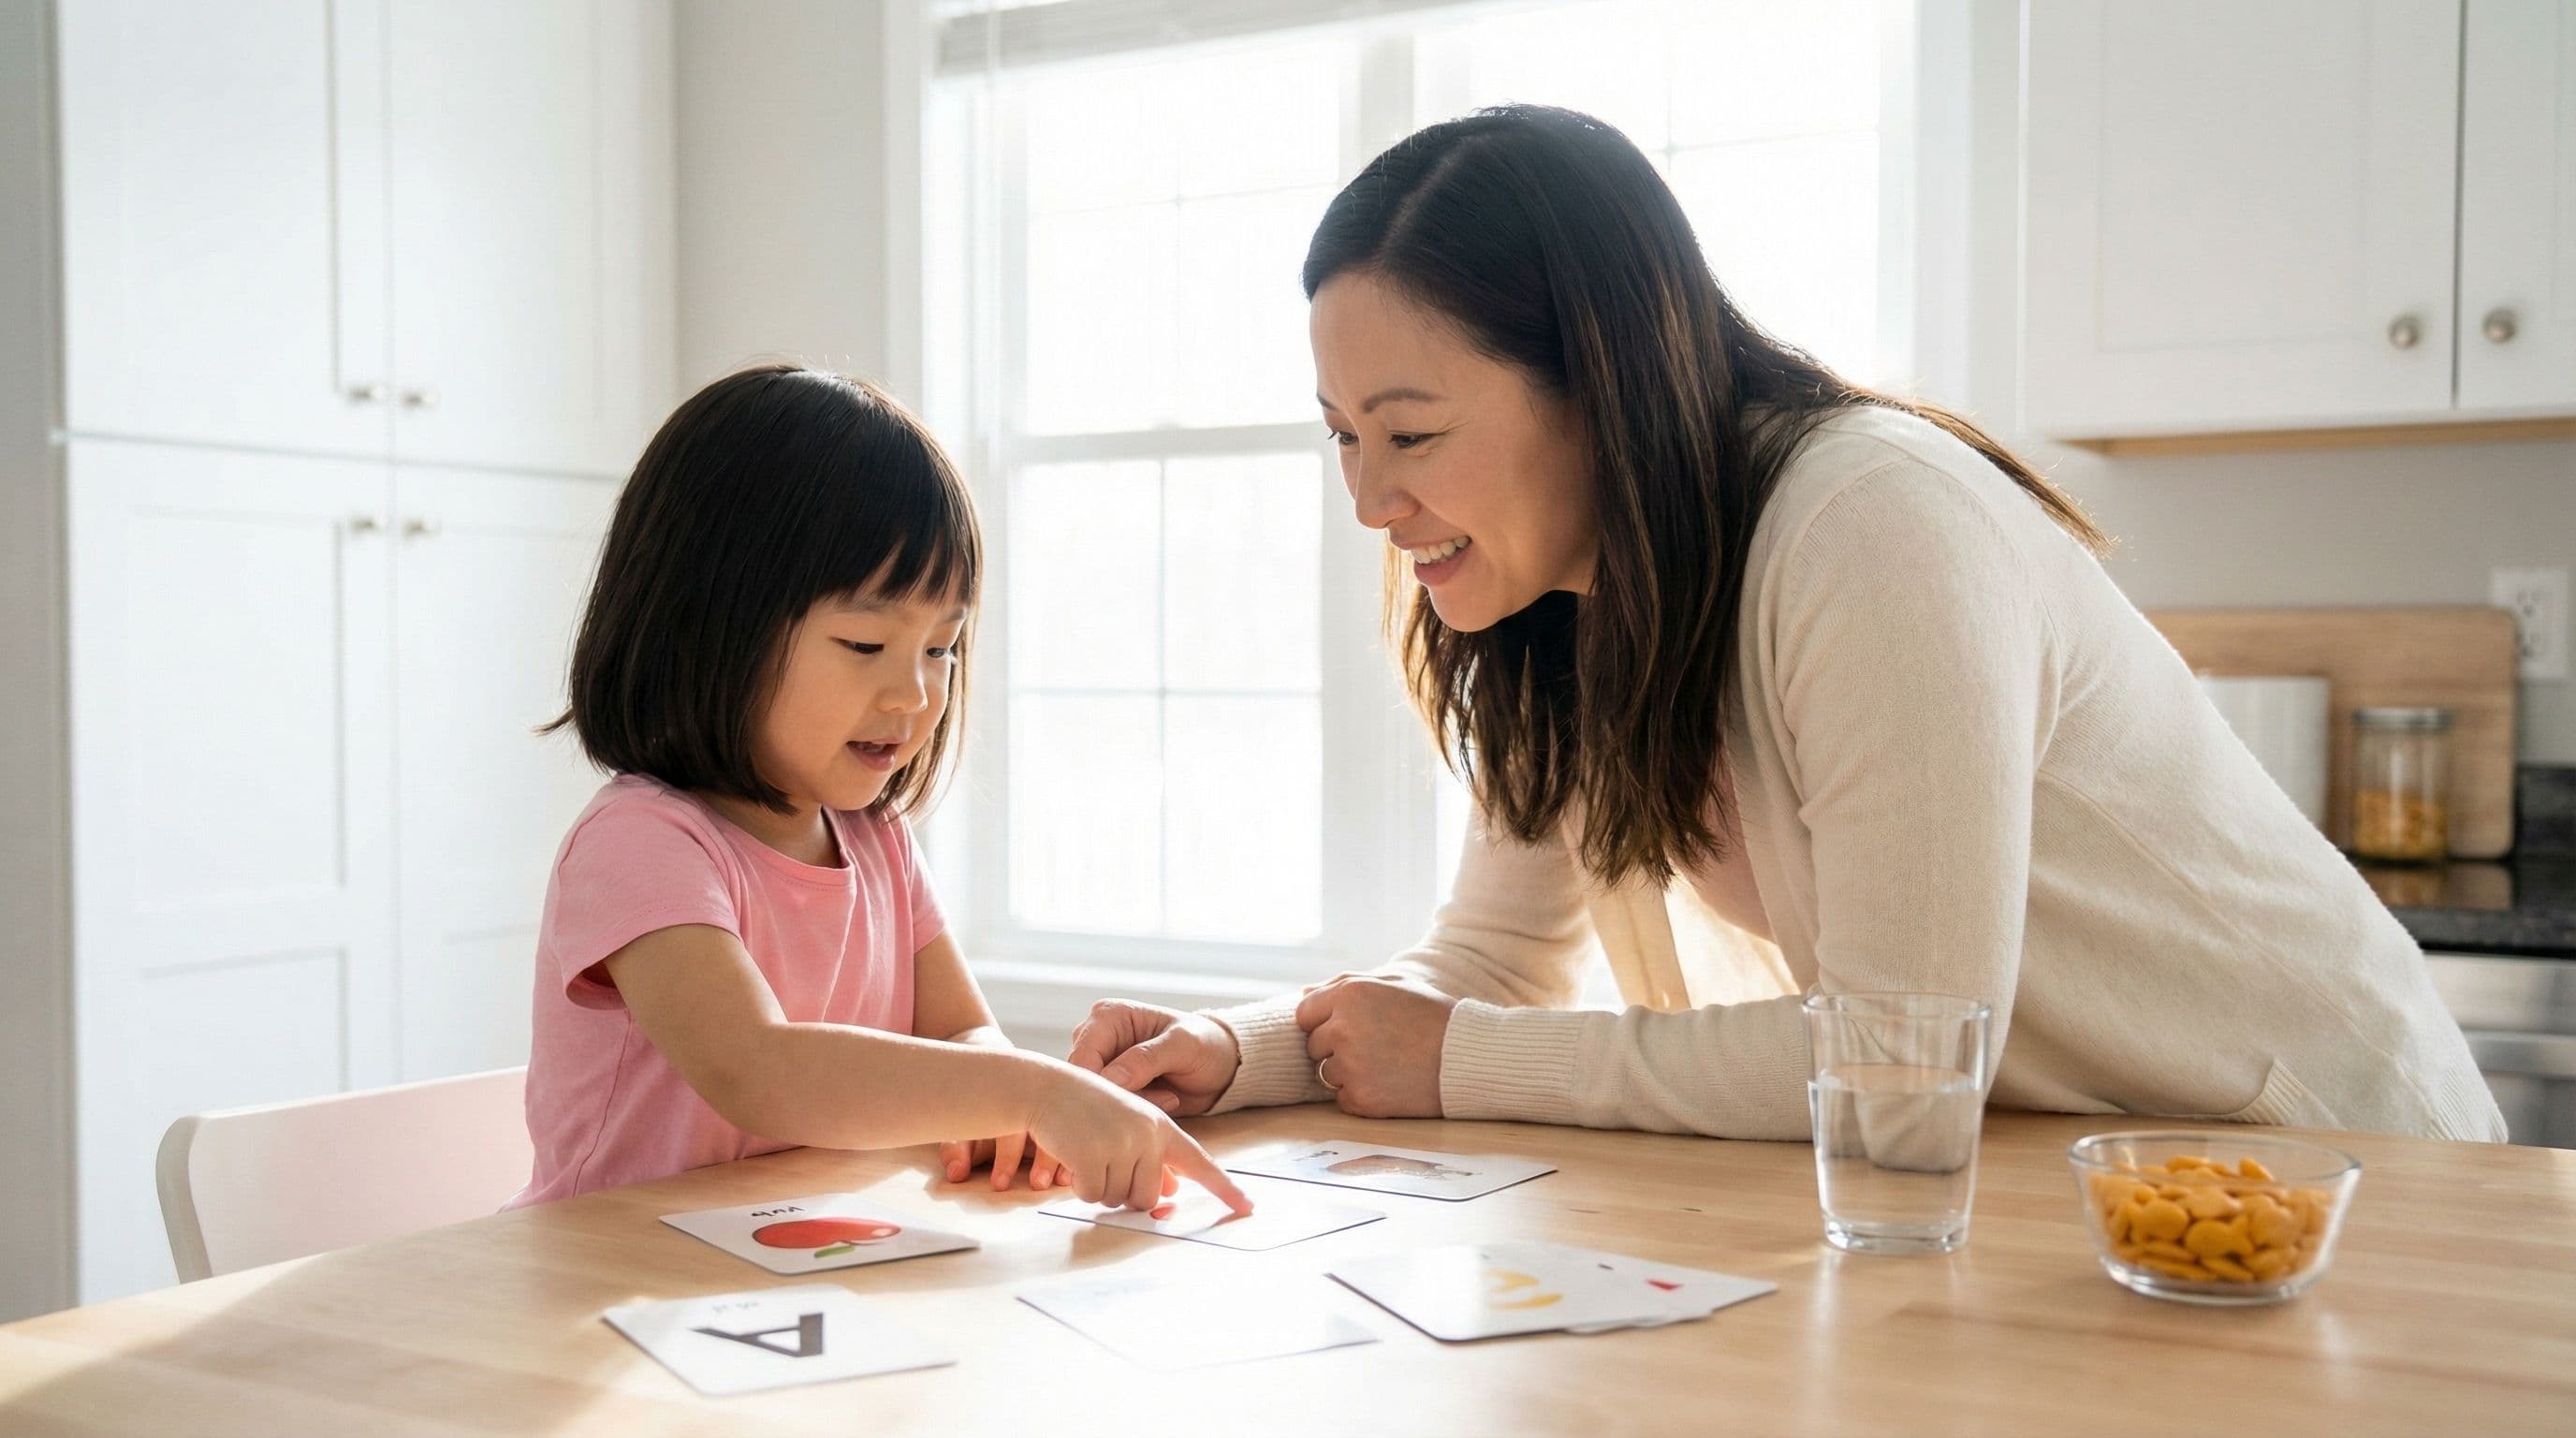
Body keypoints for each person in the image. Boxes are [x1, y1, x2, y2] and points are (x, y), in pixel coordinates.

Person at [1056, 106, 2504, 1150]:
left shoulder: (1870, 526)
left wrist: (1464, 1063)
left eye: (1412, 432)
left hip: (2337, 1166)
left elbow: (1901, 1067)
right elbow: (1490, 969)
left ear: (1598, 387)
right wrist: (1238, 1055)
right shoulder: (1557, 606)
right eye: (1340, 439)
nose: (1373, 501)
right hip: (2074, 1182)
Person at [506, 363, 1253, 1212]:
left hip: (786, 1266)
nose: (916, 695)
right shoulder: (642, 842)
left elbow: (961, 1032)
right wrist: (1030, 1092)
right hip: (607, 1278)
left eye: (943, 648)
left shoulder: (875, 838)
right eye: (865, 645)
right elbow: (759, 1069)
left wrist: (1009, 1107)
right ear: (708, 628)